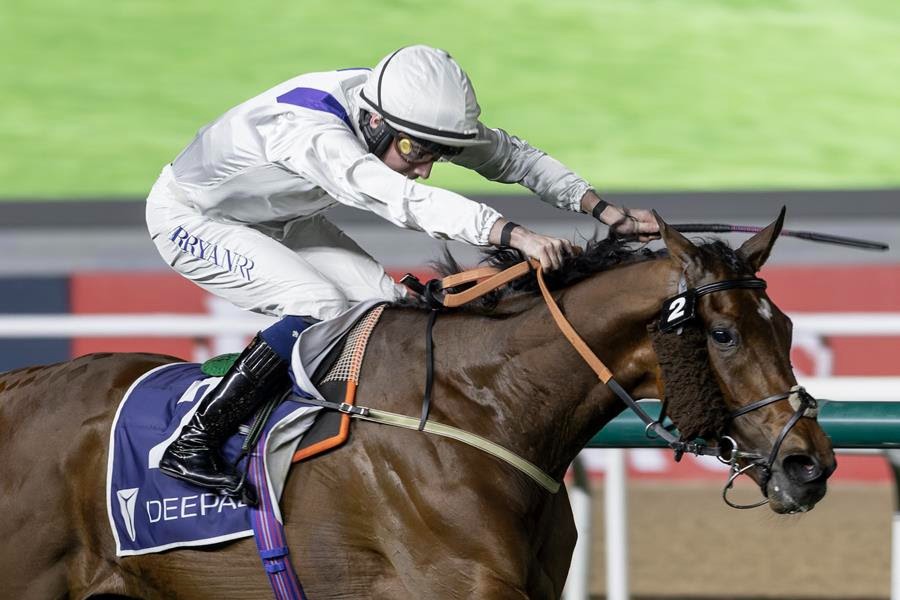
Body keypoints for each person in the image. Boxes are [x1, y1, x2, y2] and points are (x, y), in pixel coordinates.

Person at [145, 45, 660, 500]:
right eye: (415, 151)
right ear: (372, 121)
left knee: (385, 306)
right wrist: (514, 235)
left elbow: (514, 158)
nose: (425, 166)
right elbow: (401, 198)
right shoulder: (311, 134)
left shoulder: (404, 110)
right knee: (317, 305)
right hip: (193, 217)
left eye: (439, 153)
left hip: (281, 217)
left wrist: (605, 211)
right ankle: (195, 440)